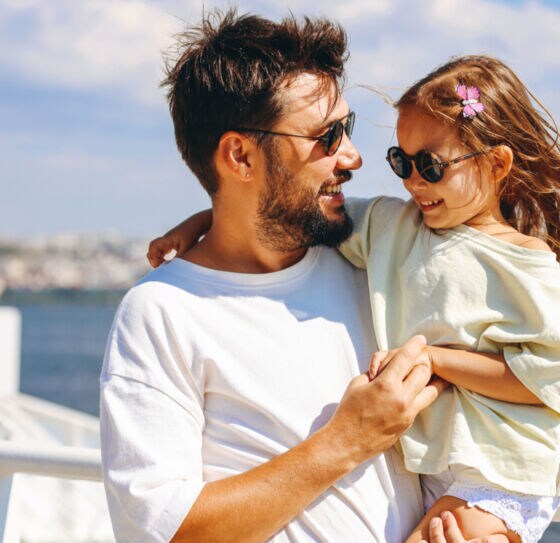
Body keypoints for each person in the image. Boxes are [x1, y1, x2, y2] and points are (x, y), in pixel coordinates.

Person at [151, 55, 560, 543]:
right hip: (436, 465)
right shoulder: (392, 227)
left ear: (496, 163)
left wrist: (435, 360)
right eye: (401, 161)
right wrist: (200, 225)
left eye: (430, 165)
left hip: (500, 469)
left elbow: (545, 382)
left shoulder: (525, 264)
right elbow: (290, 213)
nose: (412, 182)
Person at [100, 10, 458, 543]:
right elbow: (161, 530)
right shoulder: (162, 312)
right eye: (326, 136)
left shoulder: (377, 259)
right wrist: (346, 440)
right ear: (239, 156)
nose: (353, 156)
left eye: (349, 128)